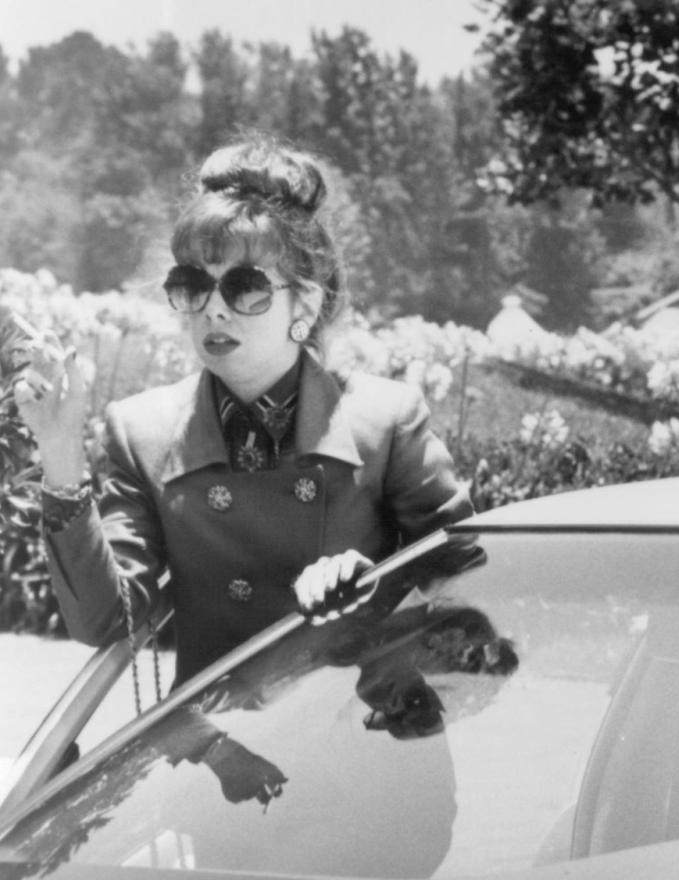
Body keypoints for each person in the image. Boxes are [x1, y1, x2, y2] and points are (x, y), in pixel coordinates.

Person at [13, 131, 474, 688]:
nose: (214, 310)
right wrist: (60, 453)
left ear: (305, 302)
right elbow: (107, 621)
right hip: (220, 738)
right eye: (192, 286)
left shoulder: (385, 421)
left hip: (358, 726)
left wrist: (376, 582)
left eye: (245, 287)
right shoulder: (142, 431)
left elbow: (466, 583)